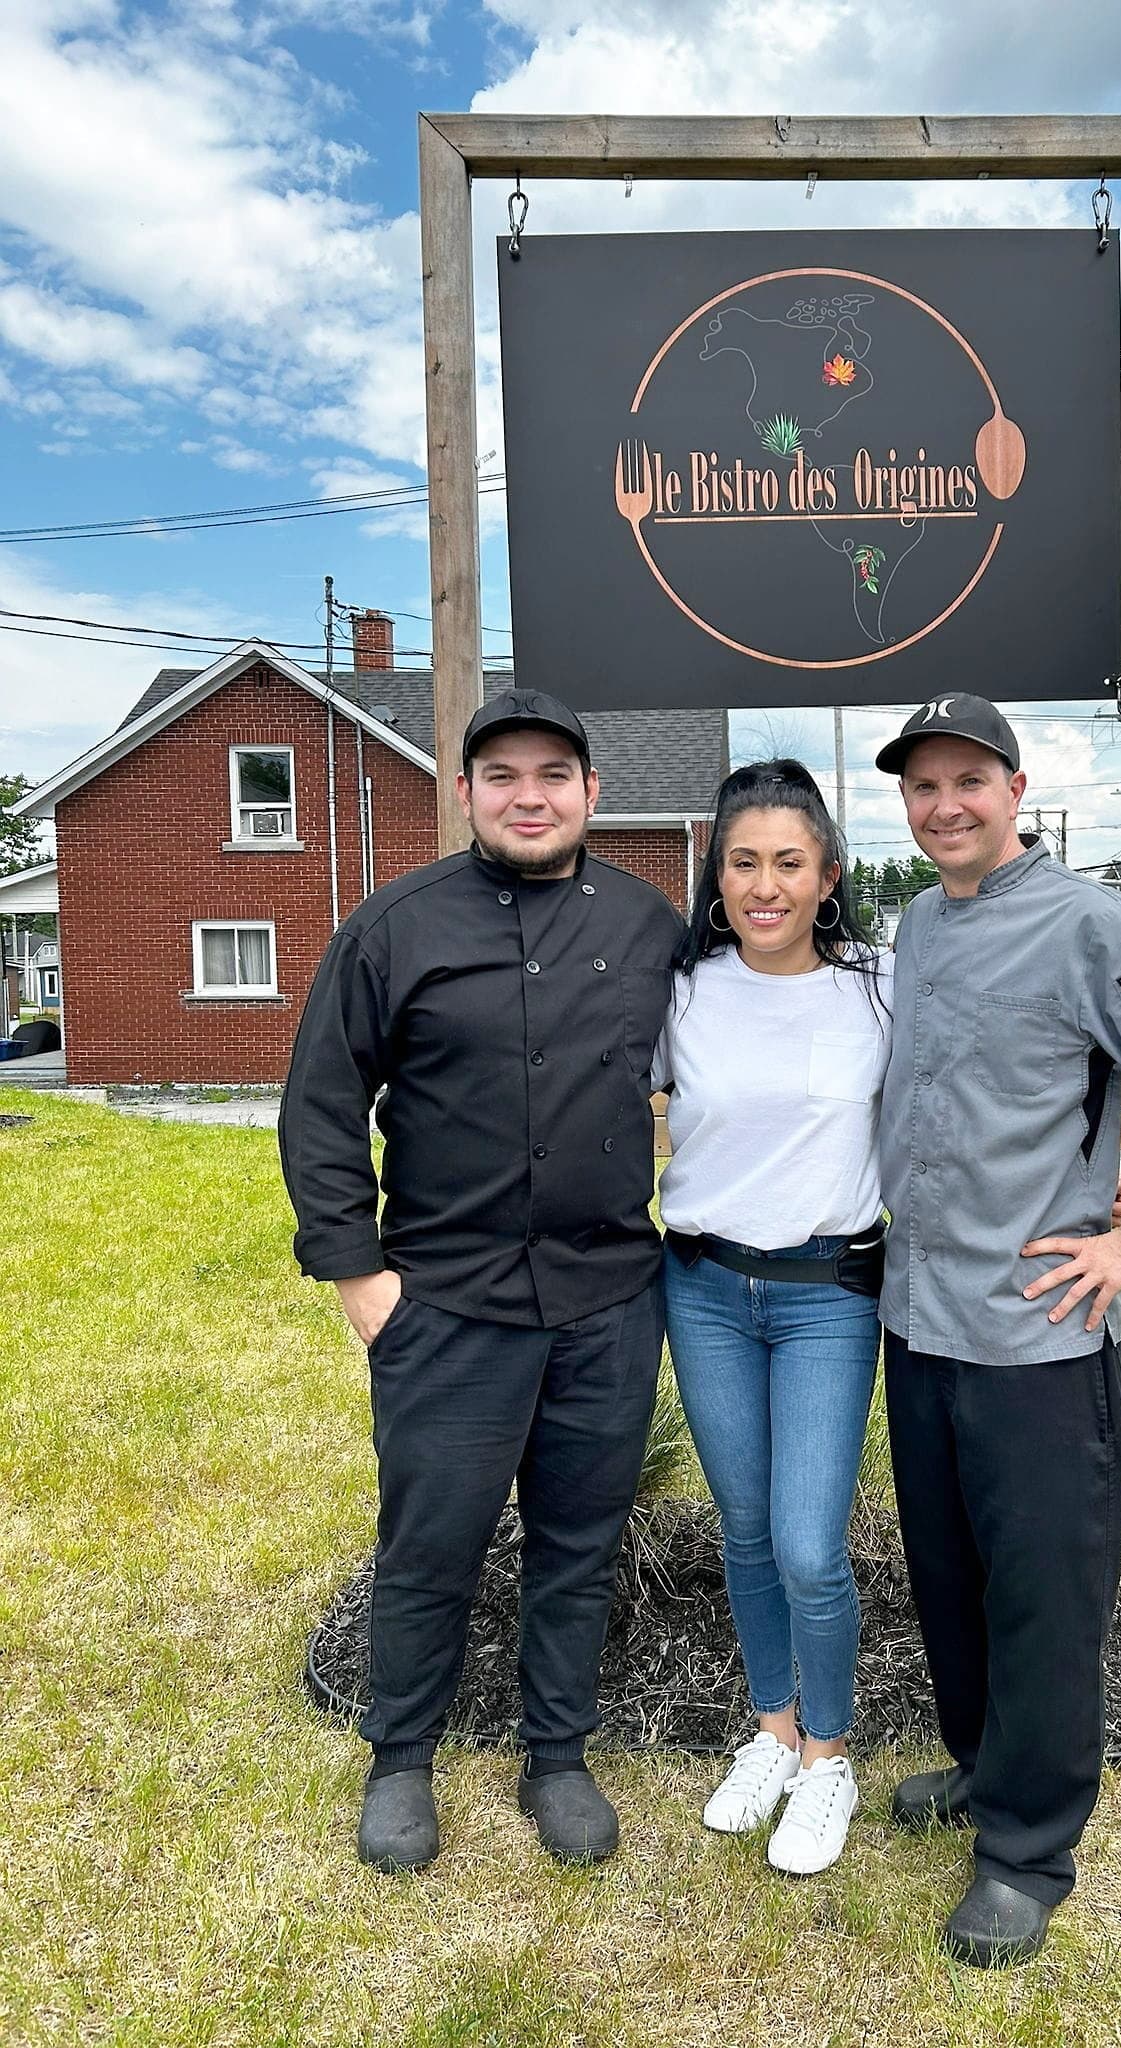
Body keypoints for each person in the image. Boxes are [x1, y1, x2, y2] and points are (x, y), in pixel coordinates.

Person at [873, 694, 1121, 1967]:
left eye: (968, 779)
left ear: (1016, 786)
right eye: (922, 784)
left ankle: (1026, 1848)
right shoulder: (919, 928)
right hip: (919, 1321)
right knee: (948, 1580)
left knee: (1045, 1598)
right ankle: (982, 1766)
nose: (945, 803)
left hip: (1038, 1337)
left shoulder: (1093, 923)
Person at [278, 689, 682, 1874]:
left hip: (607, 1299)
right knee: (431, 1540)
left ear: (592, 792)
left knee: (578, 1539)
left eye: (554, 772)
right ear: (464, 793)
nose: (529, 793)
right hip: (445, 1303)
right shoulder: (391, 928)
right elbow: (319, 1106)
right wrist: (358, 1275)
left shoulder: (653, 926)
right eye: (501, 773)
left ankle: (557, 1754)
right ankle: (400, 1755)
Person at [653, 761, 891, 1875]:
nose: (764, 883)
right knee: (744, 1527)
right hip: (700, 1287)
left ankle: (829, 1755)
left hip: (825, 1297)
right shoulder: (683, 993)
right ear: (718, 873)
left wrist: (1099, 1195)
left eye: (788, 862)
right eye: (742, 861)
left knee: (806, 1540)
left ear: (828, 874)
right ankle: (772, 1728)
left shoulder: (880, 991)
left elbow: (992, 1085)